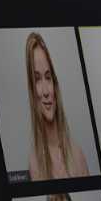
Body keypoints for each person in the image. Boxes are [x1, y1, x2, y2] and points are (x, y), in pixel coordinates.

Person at [19, 32, 87, 180]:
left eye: (48, 77)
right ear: (32, 90)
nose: (45, 91)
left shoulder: (78, 155)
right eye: (37, 80)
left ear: (55, 85)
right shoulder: (34, 165)